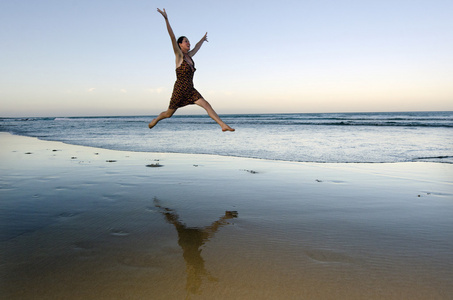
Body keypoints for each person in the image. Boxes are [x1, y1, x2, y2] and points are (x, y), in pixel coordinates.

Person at [149, 8, 235, 132]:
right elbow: (172, 37)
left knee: (206, 104)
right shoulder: (179, 56)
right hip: (180, 90)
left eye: (188, 41)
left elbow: (196, 47)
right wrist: (166, 19)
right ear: (180, 45)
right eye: (185, 41)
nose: (188, 43)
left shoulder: (190, 56)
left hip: (190, 89)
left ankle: (222, 125)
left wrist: (202, 39)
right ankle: (156, 120)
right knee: (168, 114)